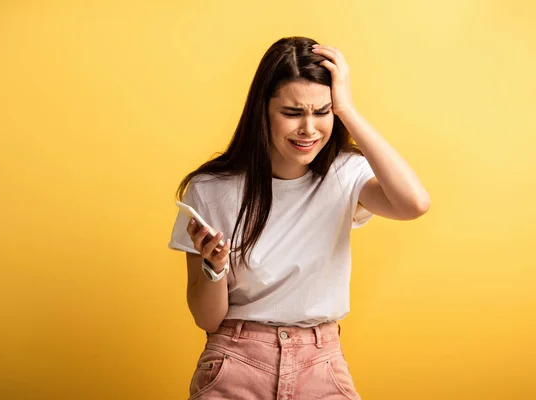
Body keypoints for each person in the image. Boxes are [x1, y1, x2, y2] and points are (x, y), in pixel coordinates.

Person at [168, 36, 430, 400]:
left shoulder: (345, 174)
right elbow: (207, 319)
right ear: (263, 111)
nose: (309, 129)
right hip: (235, 363)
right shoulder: (211, 189)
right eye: (292, 113)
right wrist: (216, 267)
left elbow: (414, 204)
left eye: (322, 112)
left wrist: (348, 110)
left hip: (321, 363)